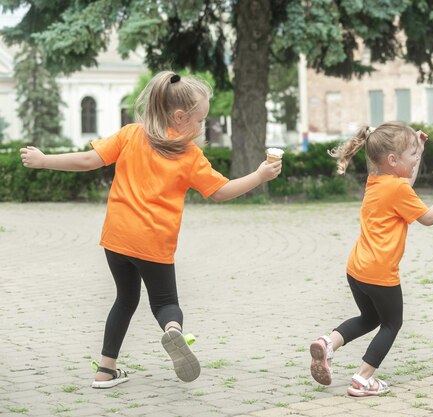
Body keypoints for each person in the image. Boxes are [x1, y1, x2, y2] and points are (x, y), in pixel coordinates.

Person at [20, 71, 282, 389]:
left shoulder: (131, 134)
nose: (202, 127)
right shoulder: (188, 156)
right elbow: (221, 192)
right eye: (200, 120)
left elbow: (89, 160)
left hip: (116, 240)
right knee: (164, 303)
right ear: (180, 116)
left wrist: (44, 159)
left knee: (125, 299)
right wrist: (259, 175)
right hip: (154, 244)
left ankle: (105, 370)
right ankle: (173, 331)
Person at [309, 122, 433, 396]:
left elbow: (404, 181)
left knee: (369, 317)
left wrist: (419, 148)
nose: (416, 160)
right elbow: (427, 218)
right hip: (380, 273)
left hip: (356, 269)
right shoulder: (398, 190)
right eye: (412, 155)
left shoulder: (377, 181)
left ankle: (328, 343)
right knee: (392, 323)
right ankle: (363, 379)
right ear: (393, 160)